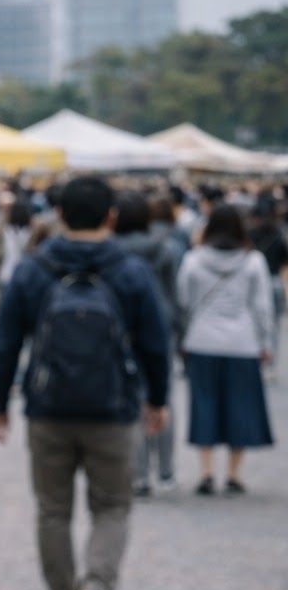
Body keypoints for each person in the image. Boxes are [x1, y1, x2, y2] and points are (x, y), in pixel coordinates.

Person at [0, 177, 171, 590]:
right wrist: (157, 398)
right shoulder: (130, 272)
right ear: (111, 216)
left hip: (48, 406)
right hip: (114, 407)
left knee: (53, 508)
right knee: (112, 505)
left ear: (59, 214)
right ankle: (97, 586)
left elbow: (6, 341)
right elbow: (156, 342)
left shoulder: (34, 269)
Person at [178, 206, 276, 495]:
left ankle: (206, 471)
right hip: (242, 341)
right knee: (240, 406)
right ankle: (234, 473)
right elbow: (262, 306)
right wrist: (266, 342)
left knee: (204, 403)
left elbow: (183, 300)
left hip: (202, 338)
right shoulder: (253, 260)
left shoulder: (193, 259)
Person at [112, 192, 179, 497]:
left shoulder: (111, 252)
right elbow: (173, 294)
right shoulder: (164, 248)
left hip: (122, 328)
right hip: (161, 325)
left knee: (132, 399)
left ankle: (139, 475)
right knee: (162, 399)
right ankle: (166, 471)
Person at [248, 200, 288, 378]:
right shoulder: (279, 235)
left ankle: (257, 357)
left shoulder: (250, 236)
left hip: (254, 282)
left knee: (253, 322)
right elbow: (284, 265)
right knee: (274, 326)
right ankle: (270, 363)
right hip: (274, 281)